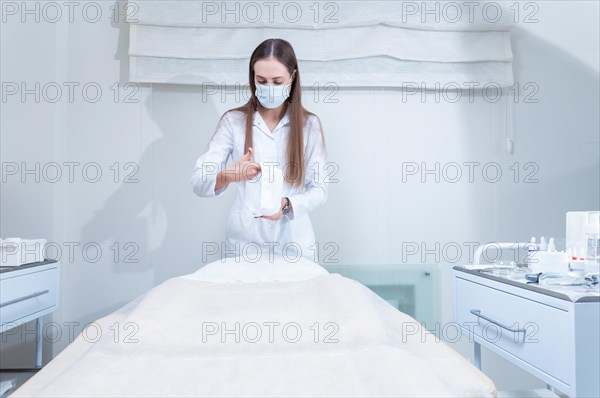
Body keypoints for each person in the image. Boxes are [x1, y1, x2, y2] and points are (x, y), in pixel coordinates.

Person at [191, 38, 328, 262]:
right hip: (245, 242)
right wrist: (228, 175)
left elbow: (320, 189)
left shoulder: (308, 125)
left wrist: (285, 206)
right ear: (252, 78)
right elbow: (197, 182)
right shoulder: (233, 121)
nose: (269, 88)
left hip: (293, 243)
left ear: (292, 78)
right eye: (261, 81)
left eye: (277, 81)